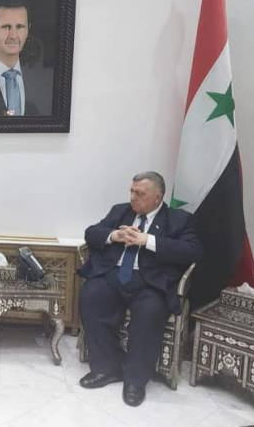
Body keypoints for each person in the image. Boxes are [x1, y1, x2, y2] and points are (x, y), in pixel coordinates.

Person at [78, 172, 202, 407]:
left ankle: (135, 380)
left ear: (158, 197)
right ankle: (107, 367)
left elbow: (192, 251)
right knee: (91, 295)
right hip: (114, 275)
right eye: (132, 191)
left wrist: (149, 241)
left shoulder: (179, 219)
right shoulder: (120, 211)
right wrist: (114, 235)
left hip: (151, 282)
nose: (133, 197)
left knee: (149, 312)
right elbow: (91, 233)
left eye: (140, 194)